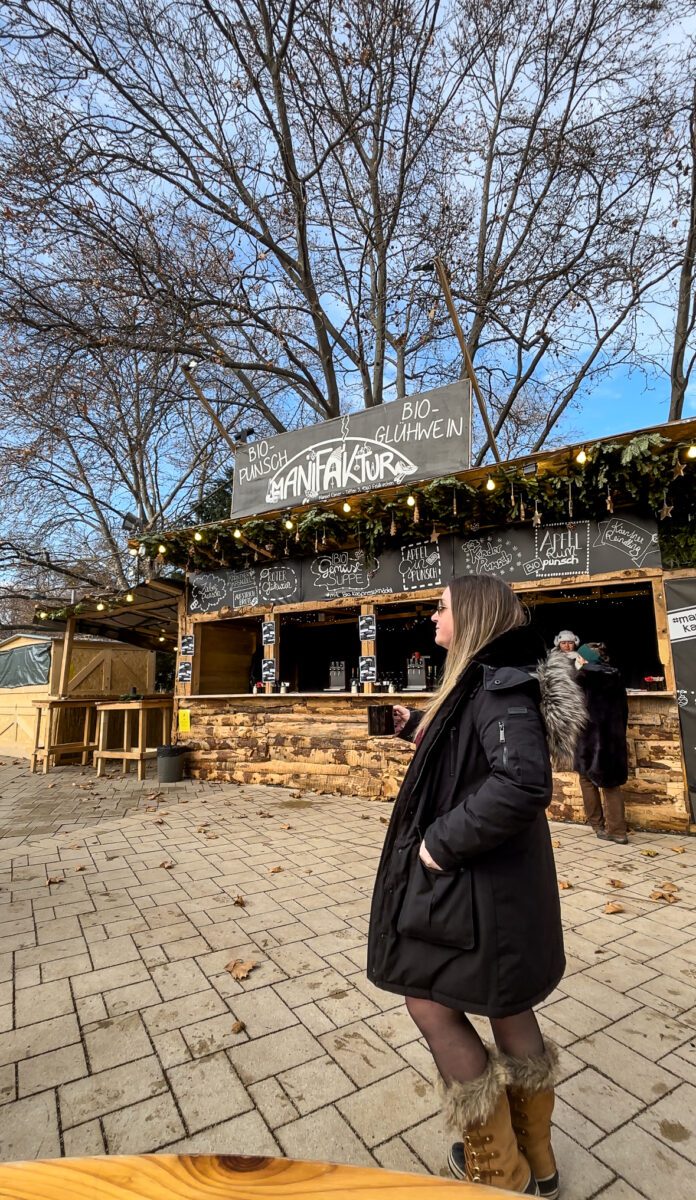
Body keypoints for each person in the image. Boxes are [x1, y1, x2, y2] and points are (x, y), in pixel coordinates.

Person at [368, 575, 585, 1197]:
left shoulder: (500, 688)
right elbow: (477, 756)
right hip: (498, 889)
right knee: (507, 1004)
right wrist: (417, 729)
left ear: (472, 617)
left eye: (440, 608)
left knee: (427, 999)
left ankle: (501, 1171)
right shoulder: (489, 683)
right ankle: (537, 1164)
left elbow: (520, 782)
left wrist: (440, 844)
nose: (432, 618)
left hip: (475, 888)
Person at [572, 642, 629, 845]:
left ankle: (598, 825)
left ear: (583, 659)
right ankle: (619, 831)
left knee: (587, 780)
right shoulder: (615, 675)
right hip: (613, 739)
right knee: (612, 785)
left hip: (589, 740)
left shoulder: (581, 677)